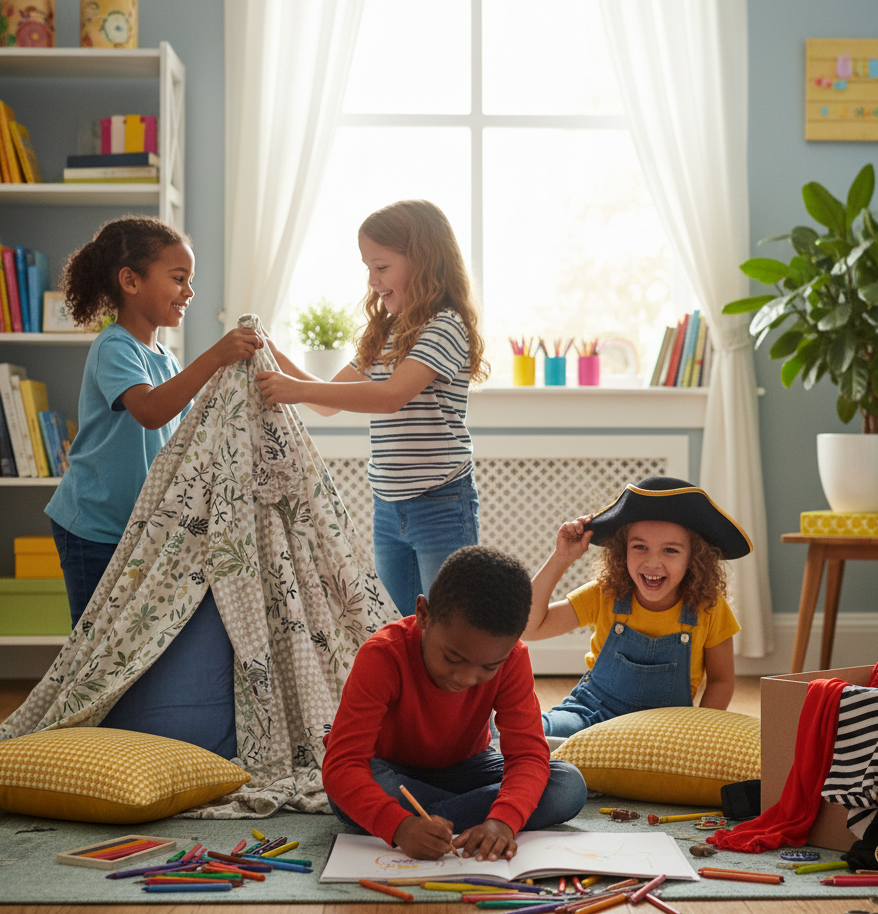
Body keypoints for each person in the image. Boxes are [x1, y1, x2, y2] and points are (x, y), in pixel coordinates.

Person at [43, 216, 261, 758]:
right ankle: (84, 749)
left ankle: (129, 746)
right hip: (93, 526)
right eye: (179, 277)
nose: (189, 291)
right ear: (131, 280)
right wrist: (216, 357)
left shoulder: (165, 355)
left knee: (131, 642)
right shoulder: (114, 348)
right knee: (98, 647)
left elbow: (187, 432)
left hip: (140, 532)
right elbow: (149, 410)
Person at [256, 199, 488, 617]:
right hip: (388, 507)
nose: (372, 281)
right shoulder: (388, 331)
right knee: (401, 628)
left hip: (441, 504)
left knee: (452, 626)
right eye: (368, 268)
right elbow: (326, 400)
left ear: (423, 261)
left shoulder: (445, 325)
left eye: (381, 267)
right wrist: (270, 354)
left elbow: (389, 397)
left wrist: (291, 388)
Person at [321, 545, 587, 862]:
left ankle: (434, 822)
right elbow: (342, 765)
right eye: (452, 657)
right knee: (355, 784)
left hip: (468, 767)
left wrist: (503, 822)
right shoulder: (382, 655)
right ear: (423, 614)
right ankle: (443, 818)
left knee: (567, 785)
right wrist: (400, 827)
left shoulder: (513, 659)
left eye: (488, 667)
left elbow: (528, 755)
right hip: (391, 769)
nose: (466, 678)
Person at [524, 475, 752, 741]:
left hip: (666, 728)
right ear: (622, 550)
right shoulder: (605, 593)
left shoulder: (708, 606)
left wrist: (696, 735)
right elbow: (529, 627)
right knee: (535, 734)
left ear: (695, 557)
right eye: (640, 547)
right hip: (592, 715)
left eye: (670, 550)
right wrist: (561, 558)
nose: (652, 563)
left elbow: (721, 680)